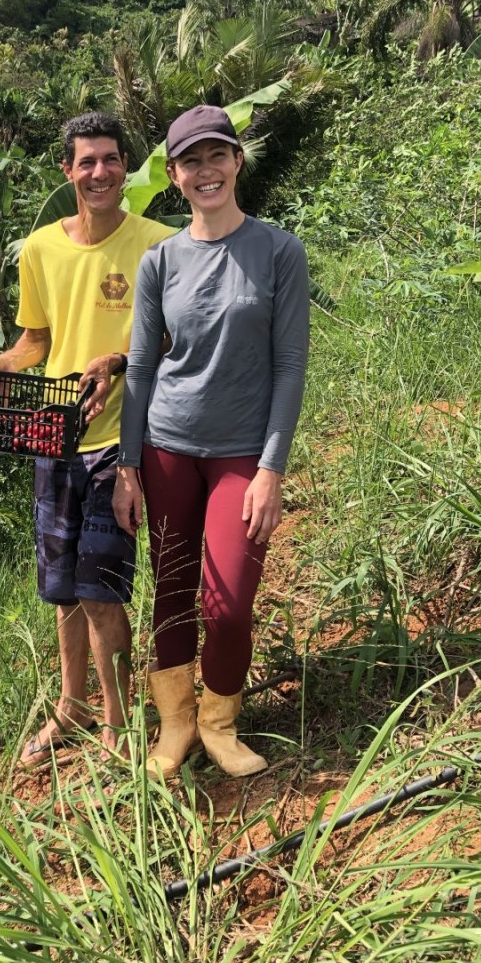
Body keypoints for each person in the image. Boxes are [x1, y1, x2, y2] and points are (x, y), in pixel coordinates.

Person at [112, 104, 309, 779]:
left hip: (239, 456)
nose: (206, 171)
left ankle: (220, 721)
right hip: (167, 447)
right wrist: (128, 466)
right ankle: (176, 727)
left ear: (237, 161)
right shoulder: (160, 261)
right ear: (172, 175)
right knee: (170, 589)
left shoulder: (278, 250)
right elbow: (140, 368)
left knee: (226, 606)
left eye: (216, 156)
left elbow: (290, 366)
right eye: (191, 161)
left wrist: (270, 469)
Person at [0, 112, 172, 766]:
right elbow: (37, 340)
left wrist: (117, 361)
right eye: (86, 162)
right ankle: (72, 707)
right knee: (61, 588)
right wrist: (3, 365)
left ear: (126, 167)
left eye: (111, 159)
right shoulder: (39, 249)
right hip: (51, 435)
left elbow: (171, 336)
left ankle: (119, 724)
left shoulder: (157, 244)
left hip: (119, 439)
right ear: (66, 171)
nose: (100, 172)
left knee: (102, 589)